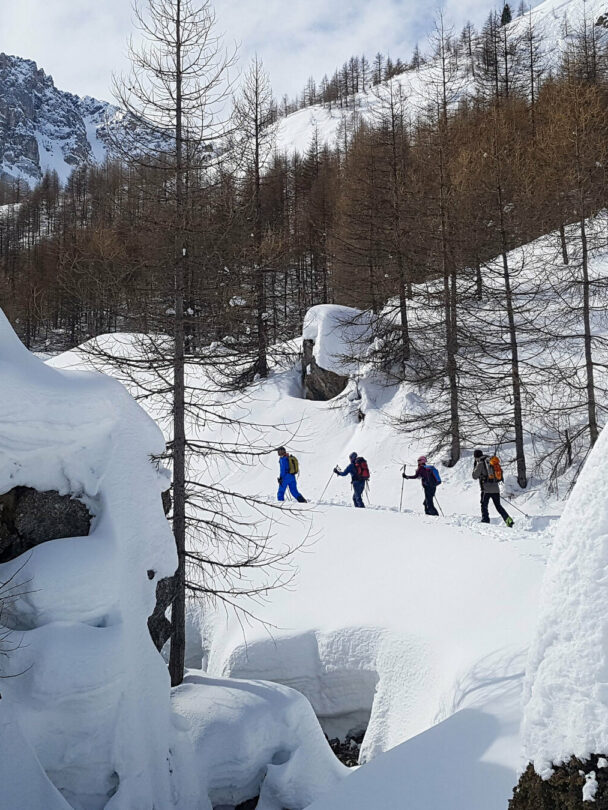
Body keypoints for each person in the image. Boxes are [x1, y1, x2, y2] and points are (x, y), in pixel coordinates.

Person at [472, 449, 513, 527]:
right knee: (498, 506)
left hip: (486, 489)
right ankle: (508, 520)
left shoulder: (480, 463)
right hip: (495, 489)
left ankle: (485, 520)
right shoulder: (491, 462)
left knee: (484, 505)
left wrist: (475, 466)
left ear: (476, 457)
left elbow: (474, 476)